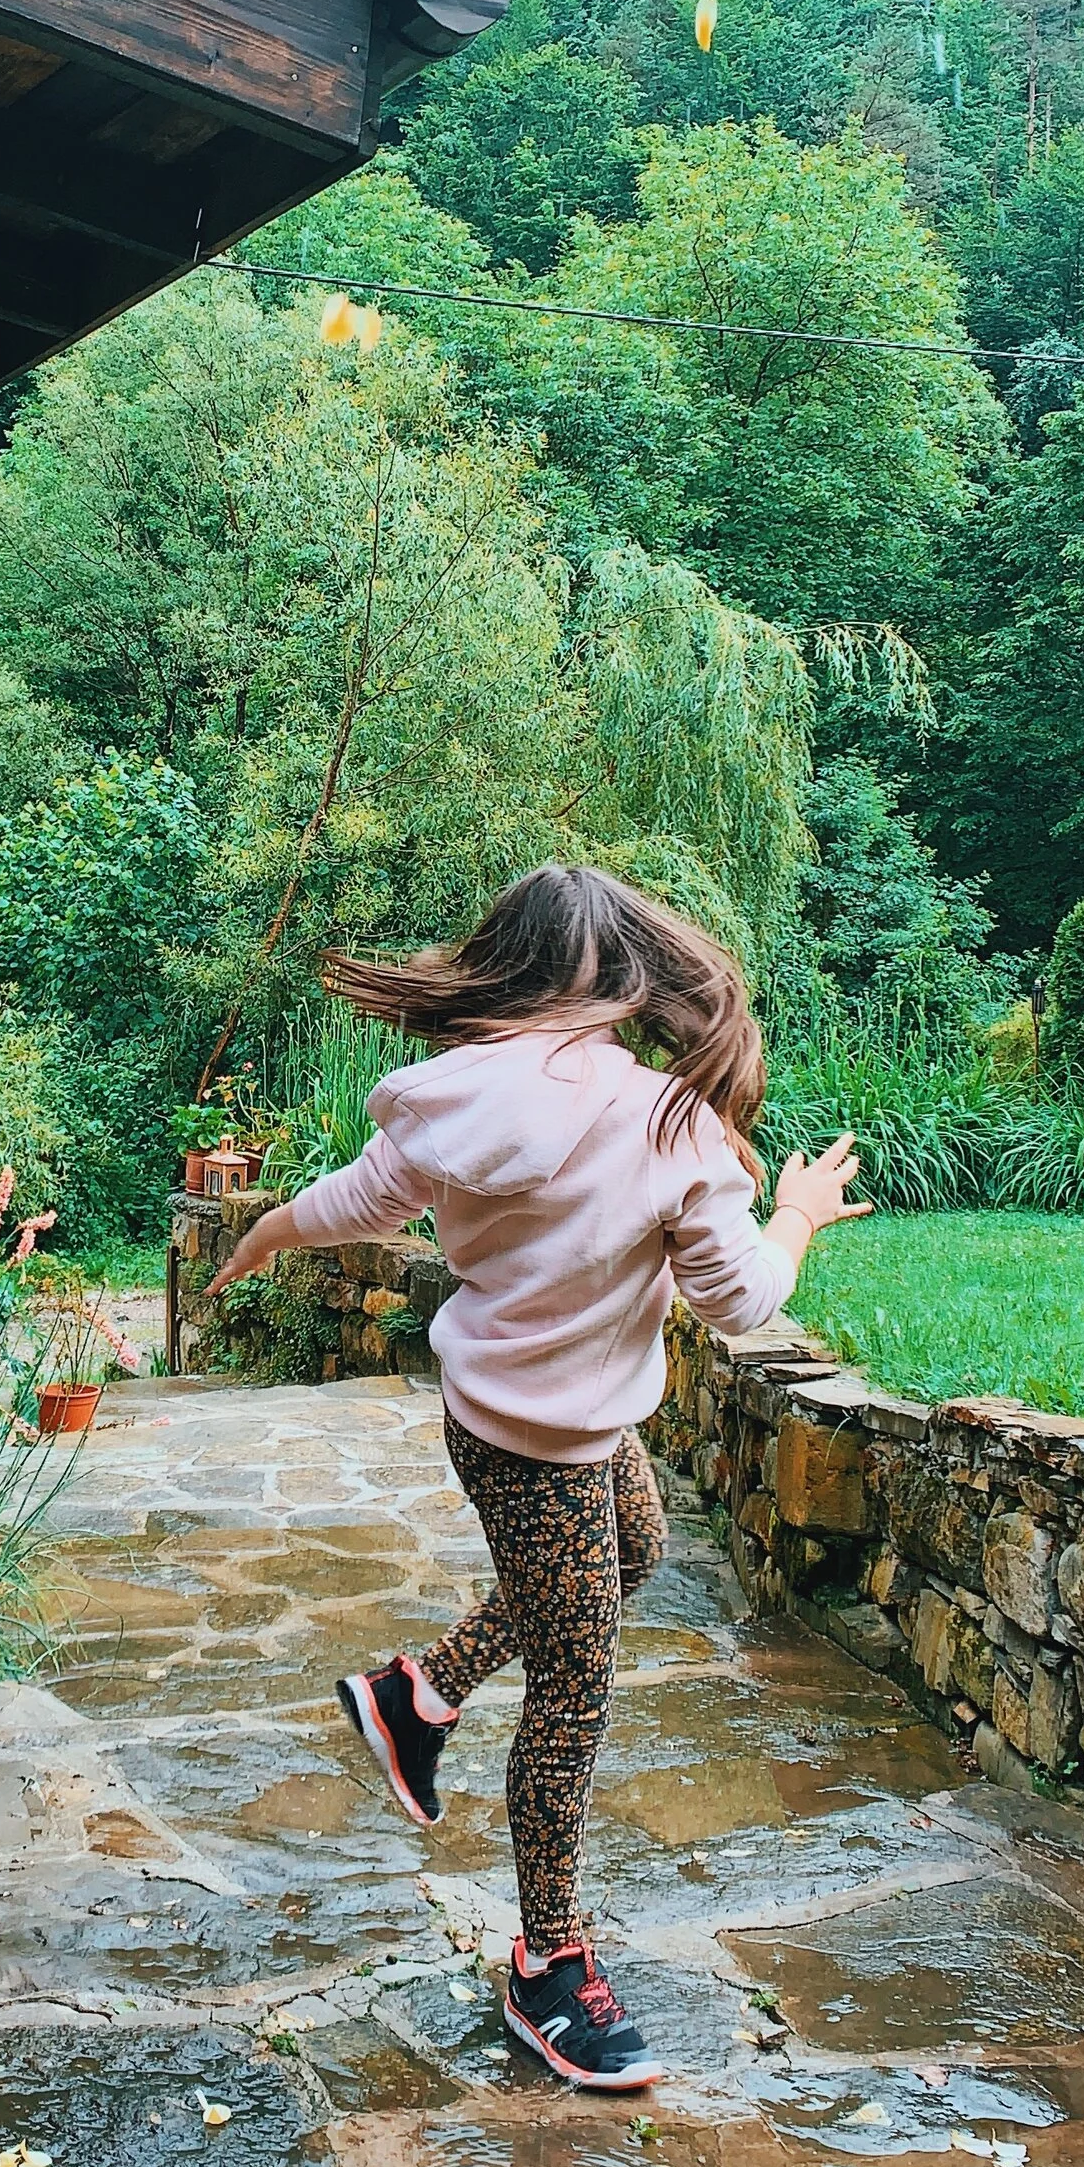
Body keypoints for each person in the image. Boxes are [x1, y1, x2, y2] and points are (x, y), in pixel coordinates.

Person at [206, 864, 868, 2090]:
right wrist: (797, 1214)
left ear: (503, 966)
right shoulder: (667, 1126)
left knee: (636, 1555)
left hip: (513, 1428)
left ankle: (419, 1693)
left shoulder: (455, 1101)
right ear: (619, 979)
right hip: (548, 1454)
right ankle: (548, 1966)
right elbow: (744, 1306)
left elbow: (346, 1204)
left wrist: (253, 1239)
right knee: (575, 1692)